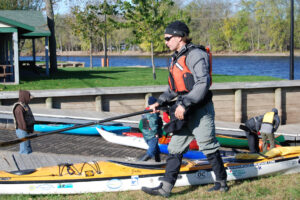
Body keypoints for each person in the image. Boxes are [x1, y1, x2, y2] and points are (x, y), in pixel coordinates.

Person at [141, 21, 228, 198]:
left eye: (168, 38)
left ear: (180, 37)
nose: (166, 42)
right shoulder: (176, 57)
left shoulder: (196, 54)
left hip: (200, 110)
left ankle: (221, 183)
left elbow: (203, 83)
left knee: (208, 145)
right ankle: (165, 188)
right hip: (184, 111)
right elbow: (174, 89)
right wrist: (160, 101)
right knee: (174, 148)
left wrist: (185, 103)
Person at [139, 96, 163, 162]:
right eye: (158, 107)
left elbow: (141, 125)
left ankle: (158, 162)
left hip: (146, 135)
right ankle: (140, 162)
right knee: (151, 151)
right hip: (152, 135)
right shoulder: (153, 115)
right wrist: (156, 133)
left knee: (156, 149)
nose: (159, 109)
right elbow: (153, 125)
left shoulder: (145, 113)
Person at [12, 90, 35, 154]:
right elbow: (21, 121)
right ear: (25, 97)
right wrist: (25, 130)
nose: (29, 99)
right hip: (22, 130)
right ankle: (23, 161)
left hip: (25, 130)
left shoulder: (24, 105)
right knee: (25, 150)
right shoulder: (19, 108)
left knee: (28, 148)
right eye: (28, 97)